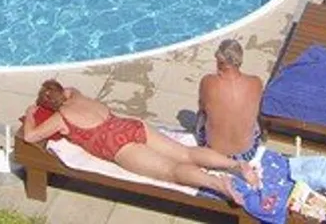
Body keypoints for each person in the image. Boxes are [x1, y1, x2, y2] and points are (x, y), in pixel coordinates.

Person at [21, 81, 257, 201]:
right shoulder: (76, 94)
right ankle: (236, 164)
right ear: (63, 92)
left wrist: (31, 114)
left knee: (172, 170)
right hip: (129, 125)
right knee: (186, 153)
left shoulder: (60, 118)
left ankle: (218, 184)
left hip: (118, 145)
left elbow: (30, 136)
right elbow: (67, 90)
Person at [197, 38, 262, 162]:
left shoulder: (207, 81)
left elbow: (202, 108)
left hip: (213, 152)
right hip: (246, 154)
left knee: (203, 113)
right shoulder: (256, 82)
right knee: (251, 114)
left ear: (219, 59)